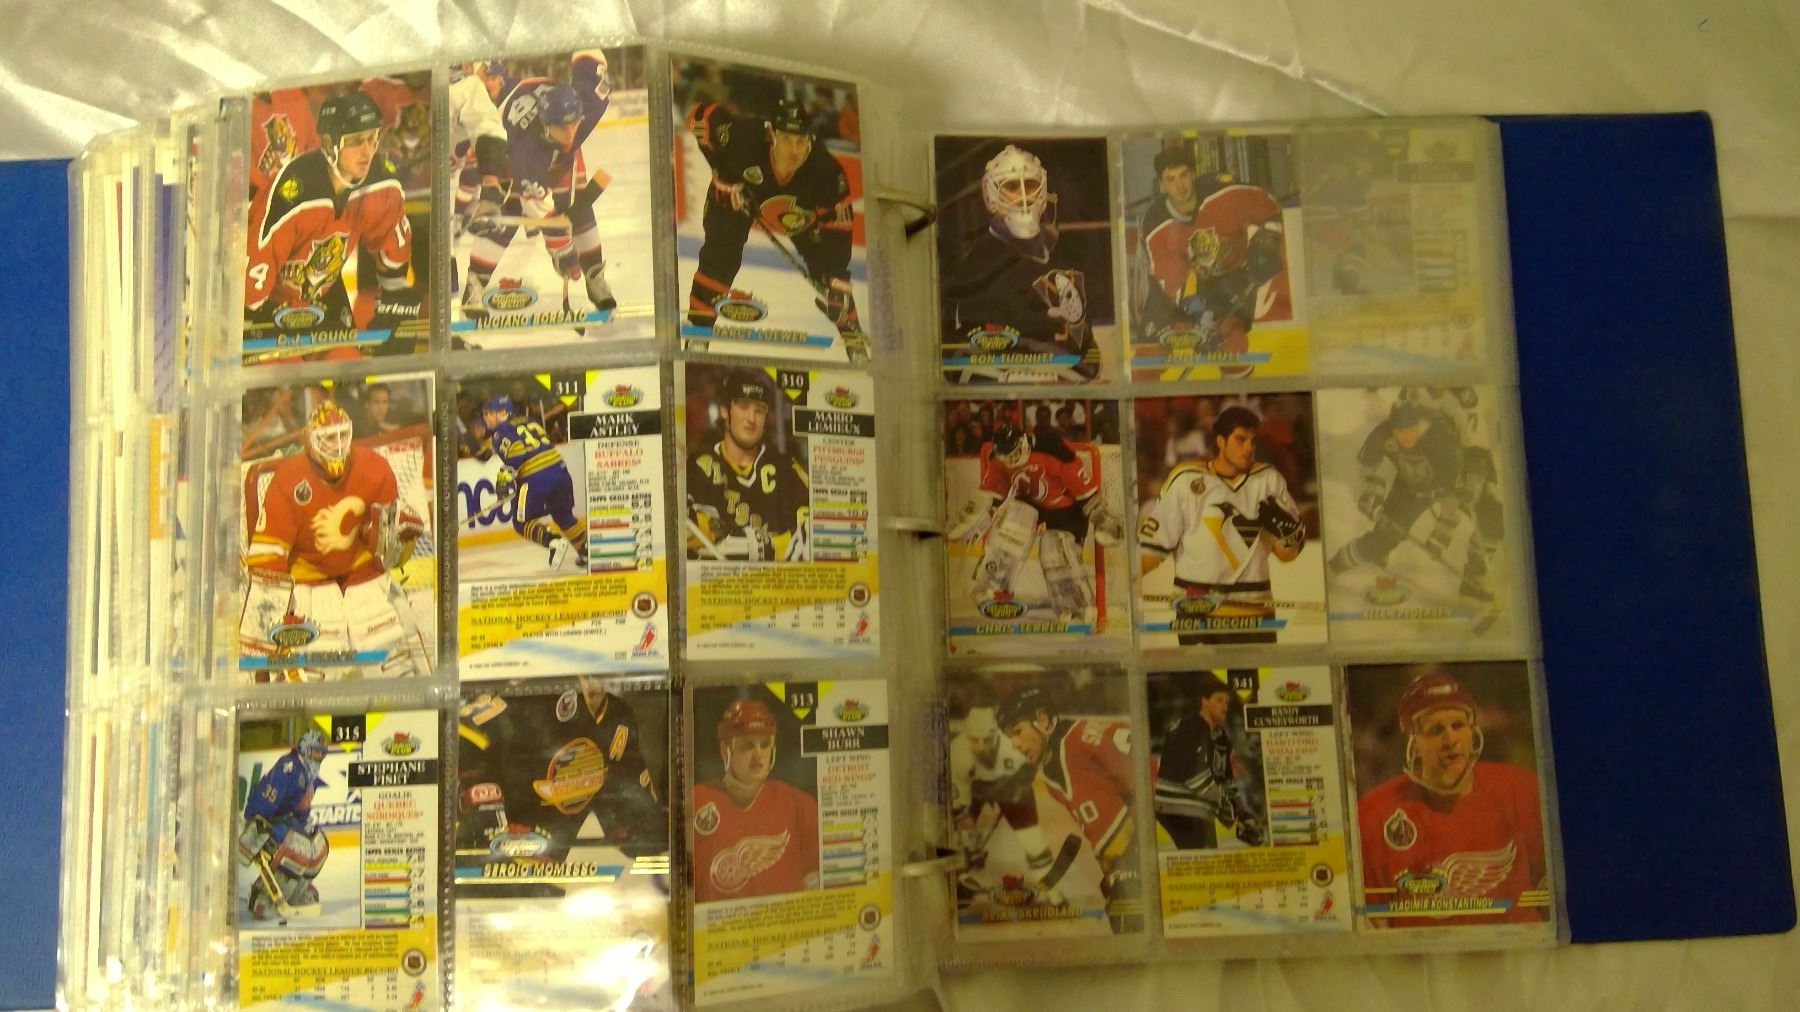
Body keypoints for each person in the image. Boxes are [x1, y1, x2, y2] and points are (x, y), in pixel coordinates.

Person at [239, 400, 431, 680]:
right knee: (316, 662)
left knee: (390, 648)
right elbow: (268, 556)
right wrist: (268, 621)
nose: (338, 444)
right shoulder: (288, 479)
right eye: (329, 437)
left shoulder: (375, 467)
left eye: (342, 435)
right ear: (311, 439)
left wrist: (396, 536)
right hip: (309, 581)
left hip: (361, 571)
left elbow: (388, 552)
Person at [1357, 671, 1549, 926]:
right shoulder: (1376, 811)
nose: (1450, 740)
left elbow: (1550, 891)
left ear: (1473, 732)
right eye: (1436, 730)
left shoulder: (1520, 789)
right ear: (1414, 742)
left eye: (1458, 725)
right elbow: (1374, 923)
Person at [682, 97, 863, 353]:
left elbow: (838, 232)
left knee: (830, 278)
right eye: (787, 139)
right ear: (772, 134)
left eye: (801, 141)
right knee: (720, 257)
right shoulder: (745, 137)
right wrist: (724, 180)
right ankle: (698, 336)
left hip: (797, 214)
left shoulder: (827, 172)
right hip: (738, 199)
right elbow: (699, 116)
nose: (794, 150)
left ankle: (855, 341)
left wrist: (838, 282)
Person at [245, 89, 419, 337]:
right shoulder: (293, 191)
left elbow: (392, 250)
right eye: (355, 141)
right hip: (272, 303)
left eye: (372, 138)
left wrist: (394, 301)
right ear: (328, 143)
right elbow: (256, 271)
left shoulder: (381, 182)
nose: (367, 151)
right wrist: (247, 322)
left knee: (347, 359)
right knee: (288, 362)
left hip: (324, 292)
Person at [460, 51, 617, 320]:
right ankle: (475, 283)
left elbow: (589, 56)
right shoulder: (525, 150)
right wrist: (564, 253)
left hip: (552, 150)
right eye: (562, 128)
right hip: (507, 150)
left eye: (574, 124)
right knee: (507, 213)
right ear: (545, 125)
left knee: (576, 205)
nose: (570, 133)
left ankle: (595, 276)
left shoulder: (590, 102)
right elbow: (542, 214)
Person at [1139, 405, 1306, 644]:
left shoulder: (1268, 481)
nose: (1248, 448)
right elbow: (1151, 550)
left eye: (1253, 441)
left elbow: (1286, 554)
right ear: (1220, 441)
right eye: (1240, 439)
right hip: (1197, 613)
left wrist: (1290, 537)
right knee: (1202, 672)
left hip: (1254, 614)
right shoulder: (1186, 480)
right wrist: (1124, 586)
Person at [457, 677, 667, 862]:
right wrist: (484, 811)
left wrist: (656, 830)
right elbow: (462, 734)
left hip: (549, 866)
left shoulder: (618, 718)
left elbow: (632, 820)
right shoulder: (534, 690)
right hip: (490, 856)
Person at [943, 144, 1099, 379]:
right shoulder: (977, 265)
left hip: (1061, 385)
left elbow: (1090, 360)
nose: (1024, 196)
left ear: (1043, 191)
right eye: (1012, 186)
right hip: (1006, 387)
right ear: (991, 195)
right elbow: (965, 354)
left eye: (1031, 185)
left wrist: (1077, 329)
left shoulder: (1062, 258)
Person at [996, 686, 1140, 934]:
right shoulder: (1061, 755)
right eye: (1010, 737)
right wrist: (1050, 880)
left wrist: (1129, 869)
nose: (1015, 744)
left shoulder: (1074, 747)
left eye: (1018, 731)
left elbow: (1121, 835)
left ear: (1042, 720)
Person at [945, 421, 1121, 622]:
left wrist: (1104, 521)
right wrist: (972, 520)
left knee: (1054, 547)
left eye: (1015, 453)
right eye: (1007, 457)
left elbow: (1086, 493)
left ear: (1024, 441)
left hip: (1067, 511)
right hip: (1034, 506)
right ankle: (989, 587)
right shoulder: (998, 459)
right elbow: (991, 495)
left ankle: (1077, 607)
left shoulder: (1052, 447)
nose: (1012, 461)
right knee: (1013, 521)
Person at [1135, 148, 1288, 374]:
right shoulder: (1155, 222)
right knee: (1146, 357)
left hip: (1231, 277)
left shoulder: (1224, 191)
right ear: (1162, 185)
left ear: (1193, 175)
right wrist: (1199, 318)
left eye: (1184, 175)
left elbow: (1269, 206)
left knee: (1231, 348)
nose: (1180, 185)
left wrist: (1266, 243)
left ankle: (1237, 390)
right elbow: (1170, 280)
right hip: (1179, 290)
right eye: (1171, 179)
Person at [1327, 397, 1495, 600]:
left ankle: (1475, 578)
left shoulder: (1443, 443)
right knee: (1383, 538)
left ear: (1420, 425)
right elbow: (1368, 467)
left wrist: (1440, 537)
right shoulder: (1383, 434)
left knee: (1485, 520)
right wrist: (1372, 495)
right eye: (1400, 431)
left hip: (1439, 487)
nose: (1405, 437)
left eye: (1410, 431)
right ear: (1392, 428)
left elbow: (1450, 498)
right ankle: (1333, 568)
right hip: (1407, 485)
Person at [690, 698, 819, 902]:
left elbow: (816, 881)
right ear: (725, 750)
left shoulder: (800, 805)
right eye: (747, 746)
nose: (759, 756)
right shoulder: (696, 801)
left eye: (765, 745)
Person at [685, 368, 810, 562]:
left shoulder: (786, 470)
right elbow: (685, 532)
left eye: (759, 410)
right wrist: (770, 545)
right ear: (724, 410)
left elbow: (810, 533)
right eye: (743, 407)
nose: (751, 419)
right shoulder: (697, 467)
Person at [949, 706, 1055, 904]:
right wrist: (972, 845)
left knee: (1032, 837)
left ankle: (1053, 889)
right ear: (967, 735)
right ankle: (959, 882)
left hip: (1010, 783)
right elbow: (961, 810)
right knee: (958, 839)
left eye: (986, 740)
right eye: (975, 740)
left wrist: (1018, 784)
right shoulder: (957, 753)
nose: (981, 746)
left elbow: (1032, 765)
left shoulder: (1012, 744)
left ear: (996, 734)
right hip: (974, 788)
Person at [1153, 673, 1265, 849]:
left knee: (1208, 849)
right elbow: (1195, 779)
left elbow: (1226, 780)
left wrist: (1243, 813)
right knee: (1204, 852)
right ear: (1204, 702)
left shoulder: (1221, 738)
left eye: (1227, 702)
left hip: (1195, 807)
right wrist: (1226, 806)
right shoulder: (1189, 727)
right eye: (1219, 700)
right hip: (1176, 806)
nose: (1224, 706)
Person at [481, 394, 587, 571]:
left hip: (536, 478)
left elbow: (517, 454)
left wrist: (504, 479)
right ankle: (585, 550)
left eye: (490, 413)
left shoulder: (500, 432)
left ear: (503, 413)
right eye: (486, 413)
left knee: (521, 523)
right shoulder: (530, 420)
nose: (487, 417)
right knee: (563, 515)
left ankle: (553, 541)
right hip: (560, 471)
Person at [236, 728, 331, 920]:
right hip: (266, 823)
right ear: (304, 748)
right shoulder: (289, 766)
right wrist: (257, 822)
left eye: (321, 753)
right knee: (298, 848)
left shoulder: (308, 776)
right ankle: (263, 896)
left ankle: (296, 893)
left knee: (319, 845)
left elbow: (300, 812)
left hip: (286, 822)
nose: (318, 757)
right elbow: (266, 798)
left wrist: (304, 825)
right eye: (315, 752)